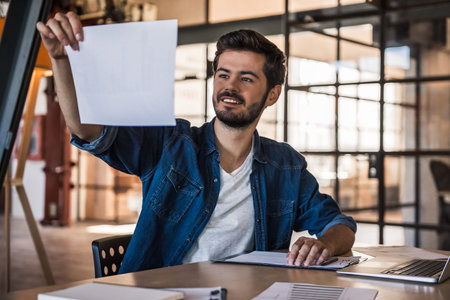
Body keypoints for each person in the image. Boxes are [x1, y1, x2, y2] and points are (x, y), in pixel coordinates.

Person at [36, 12, 356, 274]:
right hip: (165, 295)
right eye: (223, 74)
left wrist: (324, 244)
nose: (229, 86)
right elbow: (89, 131)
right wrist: (62, 61)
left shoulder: (285, 165)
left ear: (272, 94)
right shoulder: (171, 143)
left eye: (246, 78)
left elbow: (339, 224)